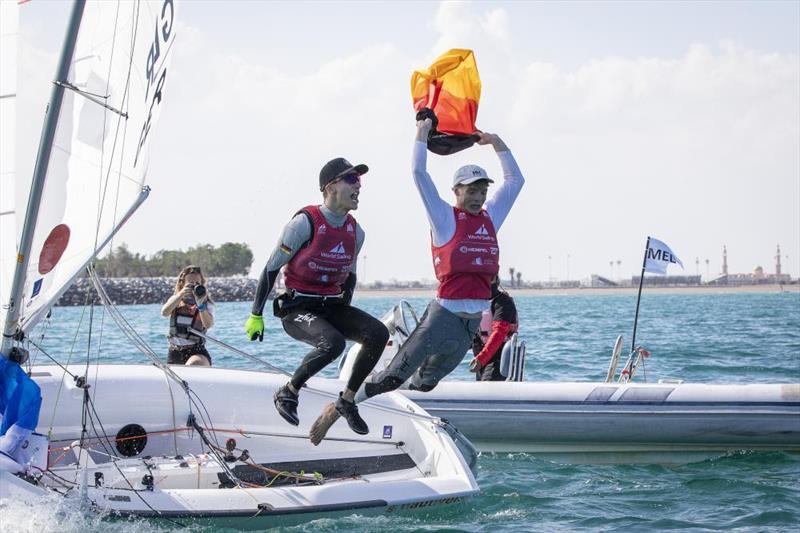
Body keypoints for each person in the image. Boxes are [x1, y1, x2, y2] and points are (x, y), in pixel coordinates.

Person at [309, 118, 525, 444]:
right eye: (471, 190)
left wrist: (496, 141)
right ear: (457, 191)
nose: (479, 196)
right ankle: (338, 407)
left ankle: (393, 410)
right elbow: (419, 175)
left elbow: (515, 180)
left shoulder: (491, 217)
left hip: (468, 326)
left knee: (425, 384)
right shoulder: (444, 217)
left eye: (483, 190)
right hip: (443, 317)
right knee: (394, 376)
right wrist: (422, 134)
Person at [244, 157, 389, 437]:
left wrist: (346, 316)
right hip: (297, 307)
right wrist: (256, 314)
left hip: (332, 305)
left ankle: (347, 401)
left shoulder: (355, 232)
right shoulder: (304, 223)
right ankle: (288, 392)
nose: (359, 186)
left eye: (360, 180)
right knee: (332, 343)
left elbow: (350, 278)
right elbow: (271, 268)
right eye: (352, 179)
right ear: (330, 186)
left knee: (378, 333)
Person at [161, 265, 214, 366]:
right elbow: (164, 312)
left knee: (192, 365)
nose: (194, 286)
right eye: (190, 284)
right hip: (174, 352)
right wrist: (181, 294)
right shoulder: (175, 300)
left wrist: (200, 305)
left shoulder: (207, 305)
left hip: (197, 353)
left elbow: (208, 325)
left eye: (197, 284)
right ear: (183, 284)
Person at [469, 278, 519, 381]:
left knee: (486, 391)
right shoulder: (480, 303)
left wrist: (481, 359)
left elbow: (499, 333)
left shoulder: (503, 303)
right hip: (482, 359)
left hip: (498, 359)